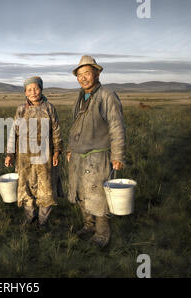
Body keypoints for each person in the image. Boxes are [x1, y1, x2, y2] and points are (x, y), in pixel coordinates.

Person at [66, 56, 125, 248]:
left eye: (87, 73)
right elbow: (76, 127)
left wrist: (117, 156)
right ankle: (88, 226)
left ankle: (102, 235)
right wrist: (70, 149)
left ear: (97, 73)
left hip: (98, 155)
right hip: (78, 155)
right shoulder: (80, 96)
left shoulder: (107, 95)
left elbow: (116, 126)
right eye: (80, 74)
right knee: (82, 193)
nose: (83, 78)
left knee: (98, 196)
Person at [5, 76, 63, 229]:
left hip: (45, 157)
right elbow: (13, 133)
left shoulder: (49, 108)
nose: (33, 92)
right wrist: (10, 154)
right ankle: (30, 218)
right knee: (26, 189)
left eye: (36, 88)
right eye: (29, 89)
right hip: (24, 157)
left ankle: (43, 222)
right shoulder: (21, 109)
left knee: (46, 189)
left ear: (41, 89)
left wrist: (57, 151)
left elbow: (56, 131)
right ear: (25, 92)